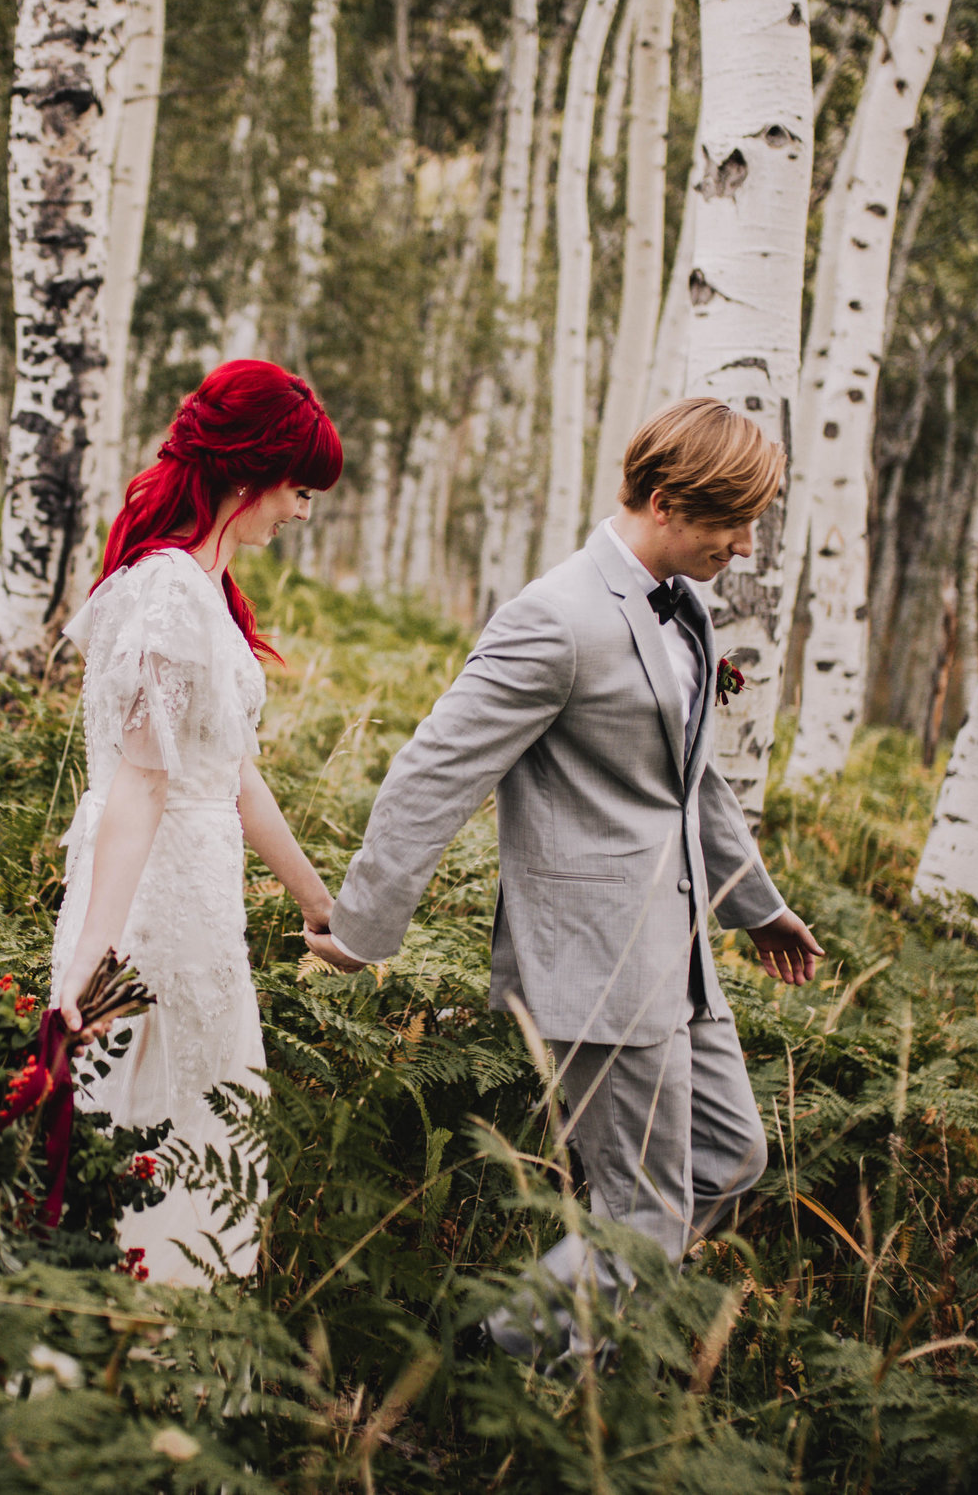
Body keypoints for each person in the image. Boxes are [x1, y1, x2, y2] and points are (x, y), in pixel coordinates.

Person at [310, 397, 823, 1354]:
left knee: (730, 1155)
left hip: (680, 956)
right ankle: (502, 1369)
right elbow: (434, 771)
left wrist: (756, 908)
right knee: (645, 1217)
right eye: (733, 522)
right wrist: (360, 925)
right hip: (595, 966)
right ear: (668, 502)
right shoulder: (555, 619)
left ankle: (539, 1340)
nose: (748, 546)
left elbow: (690, 783)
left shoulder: (689, 609)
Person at [49, 358, 344, 1286]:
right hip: (148, 910)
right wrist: (94, 956)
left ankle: (164, 1356)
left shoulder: (202, 585)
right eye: (299, 490)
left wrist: (319, 902)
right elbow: (140, 789)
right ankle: (127, 1355)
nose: (301, 512)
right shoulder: (170, 591)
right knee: (150, 1129)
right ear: (250, 472)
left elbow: (230, 776)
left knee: (196, 1127)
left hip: (199, 906)